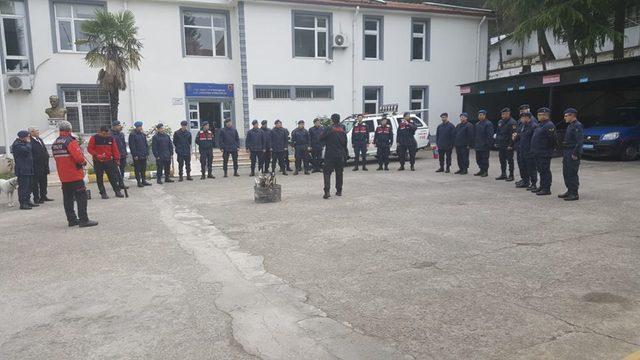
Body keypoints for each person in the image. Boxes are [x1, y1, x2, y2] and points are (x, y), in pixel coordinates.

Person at [52, 121, 97, 227]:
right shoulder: (70, 141)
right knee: (81, 197)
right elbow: (78, 157)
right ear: (70, 130)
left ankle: (71, 220)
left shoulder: (56, 142)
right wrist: (84, 162)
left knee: (67, 199)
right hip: (74, 174)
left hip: (63, 175)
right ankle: (83, 220)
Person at [88, 125, 124, 199]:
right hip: (98, 161)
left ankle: (117, 191)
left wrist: (117, 159)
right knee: (99, 178)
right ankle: (103, 193)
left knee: (113, 177)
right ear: (100, 132)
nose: (105, 135)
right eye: (104, 134)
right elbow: (90, 149)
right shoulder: (94, 138)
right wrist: (96, 155)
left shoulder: (110, 138)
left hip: (109, 160)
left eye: (107, 133)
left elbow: (115, 149)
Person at [320, 113, 348, 199]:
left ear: (332, 120)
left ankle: (327, 191)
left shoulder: (329, 129)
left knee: (327, 173)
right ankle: (339, 191)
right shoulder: (342, 130)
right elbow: (345, 143)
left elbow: (320, 138)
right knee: (339, 173)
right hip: (340, 154)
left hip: (330, 154)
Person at [559, 108, 584, 201]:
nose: (564, 117)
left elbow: (579, 141)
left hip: (572, 152)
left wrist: (575, 153)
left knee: (572, 173)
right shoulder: (570, 125)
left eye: (566, 116)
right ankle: (569, 190)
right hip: (567, 151)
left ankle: (574, 193)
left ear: (572, 115)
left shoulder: (578, 126)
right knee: (566, 172)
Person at [530, 107, 556, 196]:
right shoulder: (540, 124)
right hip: (538, 152)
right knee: (541, 170)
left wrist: (549, 150)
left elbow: (552, 140)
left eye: (541, 115)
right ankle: (542, 186)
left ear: (546, 115)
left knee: (545, 171)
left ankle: (546, 188)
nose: (539, 116)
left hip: (544, 152)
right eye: (539, 115)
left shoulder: (549, 125)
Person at [11, 130, 36, 210]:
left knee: (30, 186)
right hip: (22, 169)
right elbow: (26, 150)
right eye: (27, 136)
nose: (28, 138)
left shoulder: (25, 143)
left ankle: (28, 200)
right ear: (23, 137)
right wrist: (28, 143)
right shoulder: (17, 145)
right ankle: (23, 203)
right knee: (23, 187)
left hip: (29, 168)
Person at [515, 104, 538, 187]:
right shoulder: (521, 121)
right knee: (522, 165)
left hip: (528, 148)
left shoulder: (533, 122)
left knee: (530, 166)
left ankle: (532, 182)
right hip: (520, 146)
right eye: (521, 112)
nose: (522, 114)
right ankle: (525, 180)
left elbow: (533, 138)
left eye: (524, 111)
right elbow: (520, 132)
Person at [29, 126, 53, 203]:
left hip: (44, 164)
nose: (38, 132)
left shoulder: (39, 139)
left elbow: (44, 149)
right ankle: (36, 198)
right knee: (36, 183)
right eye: (36, 131)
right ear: (31, 132)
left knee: (44, 181)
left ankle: (43, 196)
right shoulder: (30, 141)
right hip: (36, 165)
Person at [495, 108, 517, 181]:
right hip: (501, 144)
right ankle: (503, 174)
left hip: (508, 145)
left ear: (508, 114)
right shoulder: (500, 122)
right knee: (502, 160)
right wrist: (496, 142)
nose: (503, 115)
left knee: (510, 160)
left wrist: (511, 145)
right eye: (502, 114)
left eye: (504, 114)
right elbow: (498, 133)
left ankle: (511, 175)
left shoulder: (512, 122)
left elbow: (513, 135)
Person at [129, 121, 152, 187]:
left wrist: (147, 153)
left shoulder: (142, 134)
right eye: (139, 127)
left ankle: (143, 180)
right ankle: (138, 182)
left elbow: (145, 144)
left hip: (143, 154)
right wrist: (135, 155)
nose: (140, 128)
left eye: (141, 126)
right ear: (136, 127)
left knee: (143, 168)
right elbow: (132, 146)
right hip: (137, 155)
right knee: (137, 169)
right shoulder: (132, 134)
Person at [473, 110, 493, 177]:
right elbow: (475, 135)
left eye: (482, 115)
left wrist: (488, 144)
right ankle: (481, 170)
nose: (480, 116)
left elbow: (490, 135)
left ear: (484, 115)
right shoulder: (477, 124)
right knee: (478, 159)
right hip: (478, 145)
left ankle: (485, 171)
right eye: (479, 115)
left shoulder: (488, 123)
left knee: (484, 159)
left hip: (485, 145)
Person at [111, 121, 129, 190]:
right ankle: (117, 184)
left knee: (122, 170)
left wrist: (125, 153)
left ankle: (121, 183)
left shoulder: (121, 134)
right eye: (118, 125)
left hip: (122, 154)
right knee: (116, 171)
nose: (120, 126)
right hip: (115, 156)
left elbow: (124, 144)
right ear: (114, 126)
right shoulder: (111, 135)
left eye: (120, 125)